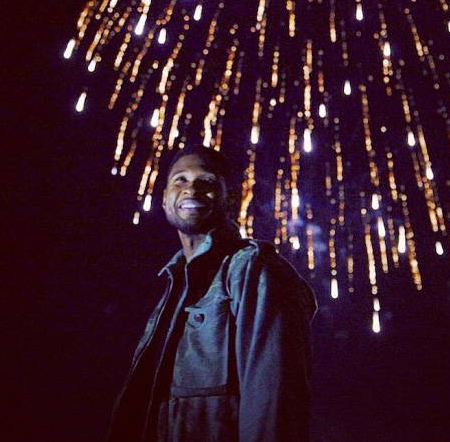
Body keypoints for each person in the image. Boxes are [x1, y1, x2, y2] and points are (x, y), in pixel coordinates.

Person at [106, 144, 317, 441]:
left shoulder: (254, 270)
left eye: (206, 182)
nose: (191, 189)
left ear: (229, 199)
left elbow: (274, 406)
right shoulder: (173, 286)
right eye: (180, 180)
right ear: (165, 200)